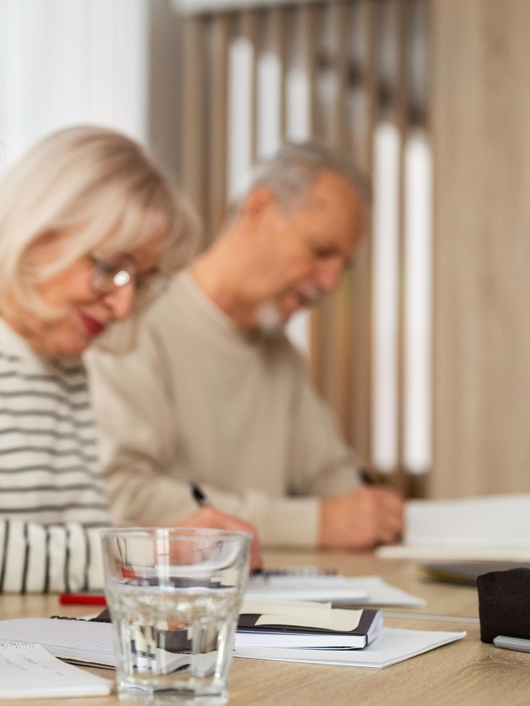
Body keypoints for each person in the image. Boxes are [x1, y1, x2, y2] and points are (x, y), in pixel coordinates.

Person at [87, 142, 404, 550]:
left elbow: (337, 486)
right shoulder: (134, 322)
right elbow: (124, 498)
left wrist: (371, 511)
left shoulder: (282, 357)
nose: (330, 283)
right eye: (321, 252)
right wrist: (313, 526)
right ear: (258, 210)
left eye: (341, 266)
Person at [0, 125, 261, 593]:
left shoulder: (65, 367)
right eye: (113, 269)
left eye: (139, 281)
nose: (123, 307)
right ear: (39, 233)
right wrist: (147, 549)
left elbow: (79, 532)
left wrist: (168, 541)